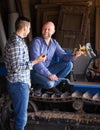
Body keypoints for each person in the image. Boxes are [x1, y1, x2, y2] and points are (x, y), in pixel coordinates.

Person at [4, 16, 46, 130]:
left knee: (20, 116)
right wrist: (37, 61)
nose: (29, 30)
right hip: (18, 84)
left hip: (20, 83)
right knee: (21, 118)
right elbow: (17, 67)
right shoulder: (16, 44)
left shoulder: (16, 40)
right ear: (25, 28)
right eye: (29, 28)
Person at [29, 21, 82, 96]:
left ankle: (42, 86)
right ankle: (48, 85)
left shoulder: (54, 43)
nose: (46, 31)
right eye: (44, 29)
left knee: (69, 65)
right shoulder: (36, 42)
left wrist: (75, 56)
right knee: (49, 83)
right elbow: (37, 63)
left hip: (47, 69)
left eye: (49, 29)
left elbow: (63, 56)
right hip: (35, 72)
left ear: (53, 31)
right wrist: (49, 75)